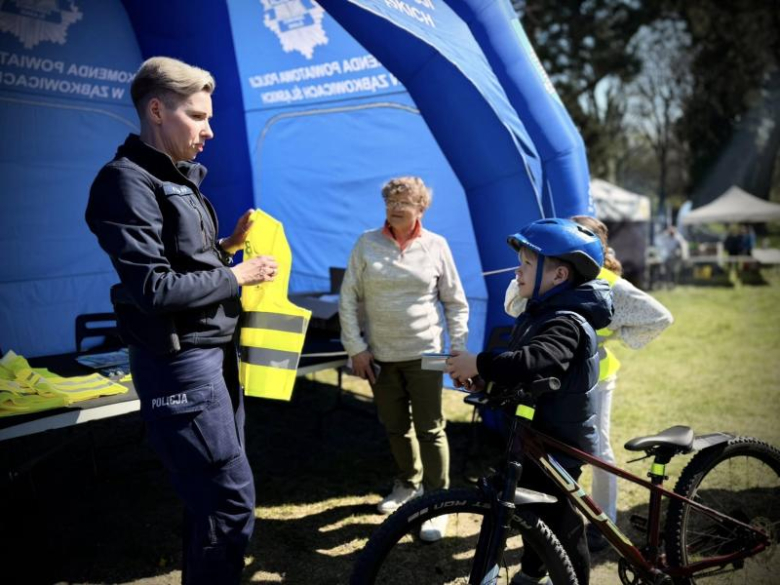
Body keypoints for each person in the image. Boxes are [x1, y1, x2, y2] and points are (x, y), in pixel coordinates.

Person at [85, 57, 278, 584]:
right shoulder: (123, 183)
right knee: (230, 505)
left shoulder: (173, 178)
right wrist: (239, 277)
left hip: (214, 359)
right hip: (180, 366)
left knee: (209, 504)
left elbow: (179, 261)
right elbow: (153, 288)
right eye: (197, 116)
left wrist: (226, 247)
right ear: (155, 110)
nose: (209, 130)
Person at [446, 218, 613, 585]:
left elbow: (534, 361)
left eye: (526, 264)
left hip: (559, 439)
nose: (516, 271)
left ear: (559, 275)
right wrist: (487, 379)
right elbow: (527, 376)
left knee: (558, 519)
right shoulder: (540, 311)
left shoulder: (566, 320)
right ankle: (533, 570)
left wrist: (480, 361)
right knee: (532, 508)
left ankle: (570, 579)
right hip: (535, 433)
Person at [505, 216, 673, 553]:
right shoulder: (548, 283)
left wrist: (606, 337)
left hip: (596, 378)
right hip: (558, 379)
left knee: (598, 451)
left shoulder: (610, 282)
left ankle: (603, 522)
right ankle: (546, 537)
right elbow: (512, 305)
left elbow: (659, 317)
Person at [339, 176, 469, 542]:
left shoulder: (437, 246)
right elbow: (348, 299)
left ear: (421, 208)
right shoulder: (366, 244)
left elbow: (455, 302)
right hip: (381, 356)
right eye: (390, 202)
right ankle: (407, 486)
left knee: (430, 428)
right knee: (395, 426)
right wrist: (356, 348)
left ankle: (439, 501)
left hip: (427, 354)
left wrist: (457, 349)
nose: (395, 208)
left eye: (404, 202)